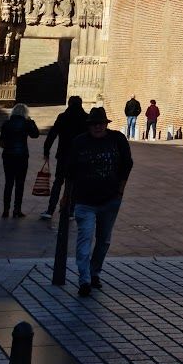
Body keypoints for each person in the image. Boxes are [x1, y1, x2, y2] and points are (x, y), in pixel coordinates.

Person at [65, 106, 133, 296]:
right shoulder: (80, 142)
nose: (98, 127)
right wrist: (66, 197)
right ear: (89, 126)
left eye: (101, 123)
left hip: (110, 200)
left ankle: (95, 272)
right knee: (85, 239)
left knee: (103, 241)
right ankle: (84, 279)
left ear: (106, 124)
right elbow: (69, 172)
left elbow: (127, 165)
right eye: (94, 124)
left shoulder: (117, 139)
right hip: (84, 201)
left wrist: (120, 191)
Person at [39, 94, 89, 221]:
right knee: (74, 184)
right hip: (79, 157)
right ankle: (71, 211)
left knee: (58, 182)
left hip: (63, 155)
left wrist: (46, 150)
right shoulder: (85, 118)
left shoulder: (63, 117)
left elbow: (52, 134)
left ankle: (50, 210)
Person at [0, 101, 40, 218]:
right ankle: (17, 210)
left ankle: (6, 210)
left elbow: (1, 143)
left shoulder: (6, 123)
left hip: (8, 156)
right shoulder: (27, 123)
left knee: (8, 183)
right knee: (19, 184)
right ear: (25, 113)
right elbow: (35, 135)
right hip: (22, 156)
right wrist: (32, 122)